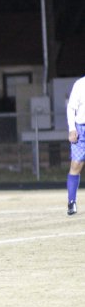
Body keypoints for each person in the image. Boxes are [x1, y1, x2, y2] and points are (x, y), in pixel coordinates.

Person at [65, 75, 85, 215]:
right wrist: (72, 128)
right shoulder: (80, 84)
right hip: (81, 128)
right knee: (76, 165)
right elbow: (71, 108)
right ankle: (71, 202)